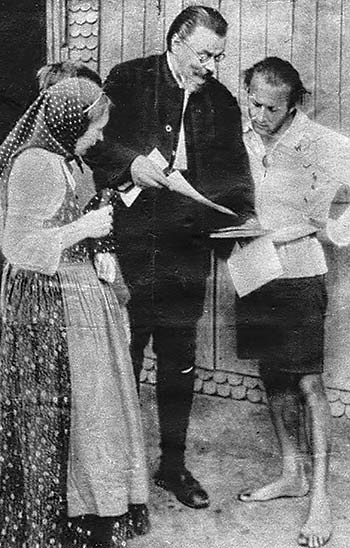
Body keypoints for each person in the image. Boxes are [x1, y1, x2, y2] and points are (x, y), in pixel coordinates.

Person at [86, 5, 255, 510]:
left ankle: (173, 467)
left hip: (185, 250)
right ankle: (116, 475)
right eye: (204, 53)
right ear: (177, 41)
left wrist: (243, 219)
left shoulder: (221, 102)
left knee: (180, 362)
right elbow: (94, 143)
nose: (212, 65)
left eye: (218, 56)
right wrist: (131, 164)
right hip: (129, 243)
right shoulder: (130, 79)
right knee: (125, 357)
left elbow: (235, 175)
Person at [0, 77, 149, 548]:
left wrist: (112, 277)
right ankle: (65, 514)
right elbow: (16, 245)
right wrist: (82, 227)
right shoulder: (35, 166)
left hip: (83, 292)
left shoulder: (72, 161)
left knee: (99, 405)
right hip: (49, 300)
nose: (100, 136)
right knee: (71, 409)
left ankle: (98, 505)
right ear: (70, 122)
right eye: (95, 127)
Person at [236, 56, 350, 548]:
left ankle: (320, 498)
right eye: (254, 103)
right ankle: (291, 474)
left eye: (270, 108)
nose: (259, 114)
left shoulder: (320, 142)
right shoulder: (243, 136)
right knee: (272, 374)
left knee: (308, 382)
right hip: (255, 269)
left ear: (292, 105)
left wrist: (331, 228)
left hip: (301, 272)